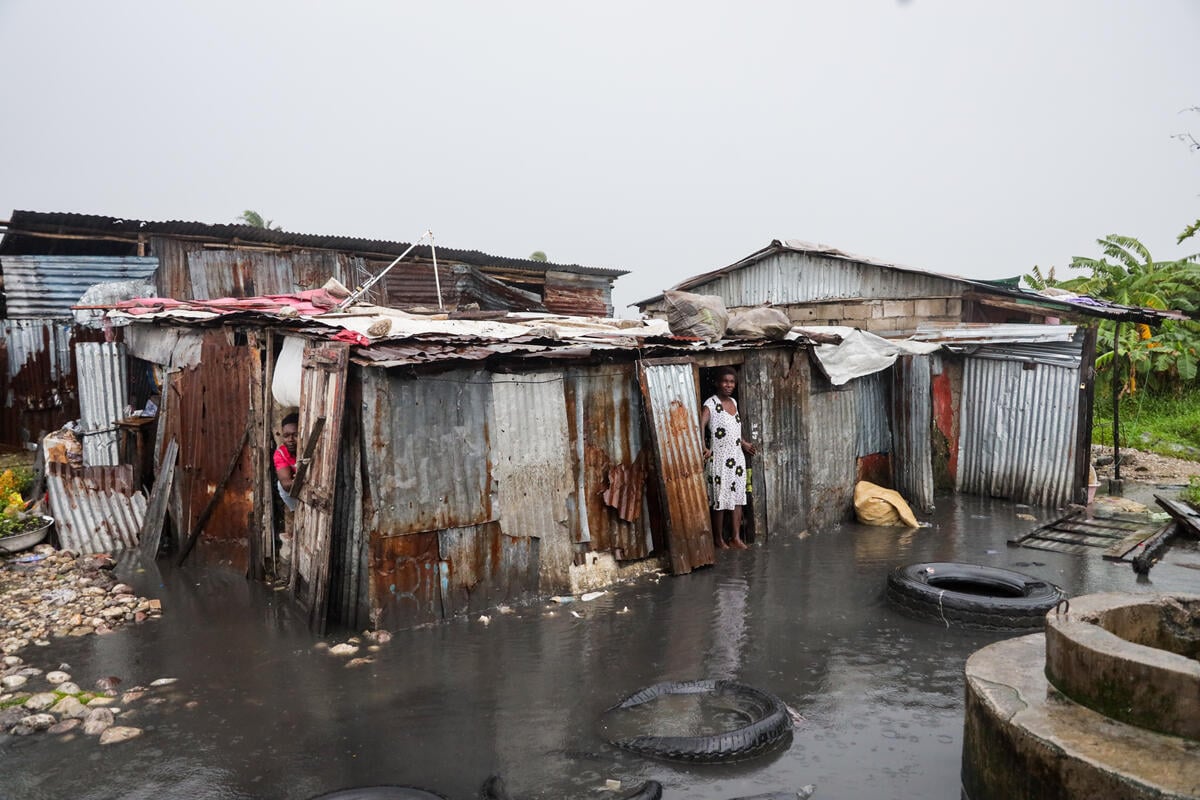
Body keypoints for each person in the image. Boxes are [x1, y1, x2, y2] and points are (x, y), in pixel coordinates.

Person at [700, 367, 757, 549]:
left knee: (738, 497)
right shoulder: (711, 404)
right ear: (717, 383)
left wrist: (744, 443)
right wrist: (704, 446)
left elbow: (732, 431)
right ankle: (718, 539)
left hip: (737, 458)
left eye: (732, 382)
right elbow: (699, 426)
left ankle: (735, 537)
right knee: (721, 500)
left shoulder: (733, 401)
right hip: (720, 459)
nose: (729, 385)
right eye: (725, 381)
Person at [273, 412, 300, 512]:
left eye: (295, 435)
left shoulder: (314, 449)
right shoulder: (281, 453)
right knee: (280, 486)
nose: (290, 440)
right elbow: (285, 483)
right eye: (286, 436)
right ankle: (297, 511)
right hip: (297, 493)